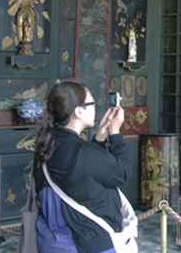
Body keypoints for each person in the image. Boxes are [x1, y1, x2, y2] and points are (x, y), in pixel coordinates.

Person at [33, 81, 130, 253]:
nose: (95, 108)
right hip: (89, 242)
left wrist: (99, 137)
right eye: (91, 104)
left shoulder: (48, 143)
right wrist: (115, 134)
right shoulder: (83, 152)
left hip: (56, 241)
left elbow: (83, 175)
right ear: (78, 111)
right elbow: (122, 173)